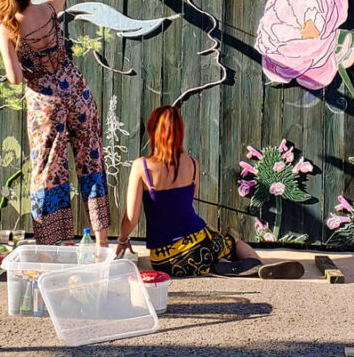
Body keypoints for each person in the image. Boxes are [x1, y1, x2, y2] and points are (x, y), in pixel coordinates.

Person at [0, 0, 110, 246]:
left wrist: (21, 57)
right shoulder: (47, 10)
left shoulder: (7, 29)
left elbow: (15, 78)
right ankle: (101, 238)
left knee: (49, 169)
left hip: (44, 103)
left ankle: (56, 243)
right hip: (75, 88)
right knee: (90, 157)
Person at [115, 105, 304, 279]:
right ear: (180, 132)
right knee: (233, 243)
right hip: (200, 242)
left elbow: (131, 218)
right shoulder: (193, 164)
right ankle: (255, 265)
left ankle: (219, 265)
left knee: (205, 255)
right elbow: (188, 202)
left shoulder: (142, 166)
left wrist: (123, 239)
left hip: (166, 261)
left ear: (153, 131)